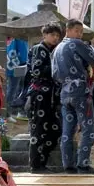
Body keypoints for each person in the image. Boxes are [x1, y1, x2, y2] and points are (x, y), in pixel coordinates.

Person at [52, 19, 94, 174]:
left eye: (81, 32)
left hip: (64, 92)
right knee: (89, 128)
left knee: (68, 130)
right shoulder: (76, 44)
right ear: (68, 30)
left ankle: (68, 164)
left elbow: (54, 74)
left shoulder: (57, 49)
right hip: (80, 91)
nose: (80, 35)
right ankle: (83, 163)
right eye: (77, 31)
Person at [27, 23, 63, 173]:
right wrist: (57, 69)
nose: (55, 38)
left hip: (52, 96)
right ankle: (36, 164)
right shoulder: (39, 49)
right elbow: (36, 71)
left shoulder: (53, 51)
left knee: (54, 130)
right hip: (40, 94)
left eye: (57, 35)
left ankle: (42, 161)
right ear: (45, 35)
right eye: (52, 35)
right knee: (39, 129)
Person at [5, 26, 29, 120]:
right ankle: (9, 112)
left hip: (9, 65)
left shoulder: (10, 37)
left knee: (12, 89)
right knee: (15, 89)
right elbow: (23, 54)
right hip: (18, 66)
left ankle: (12, 111)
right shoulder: (19, 37)